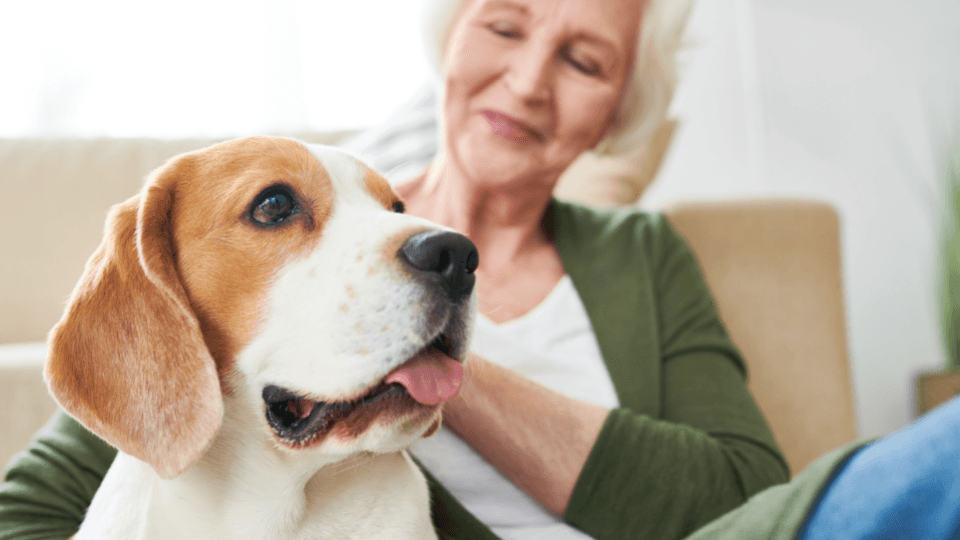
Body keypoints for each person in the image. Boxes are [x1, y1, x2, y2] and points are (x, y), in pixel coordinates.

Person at [2, 0, 958, 539]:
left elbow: (740, 495)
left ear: (618, 110)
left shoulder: (643, 254)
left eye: (583, 59)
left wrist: (432, 363)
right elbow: (55, 497)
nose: (531, 79)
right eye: (505, 25)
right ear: (452, 39)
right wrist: (371, 322)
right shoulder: (248, 264)